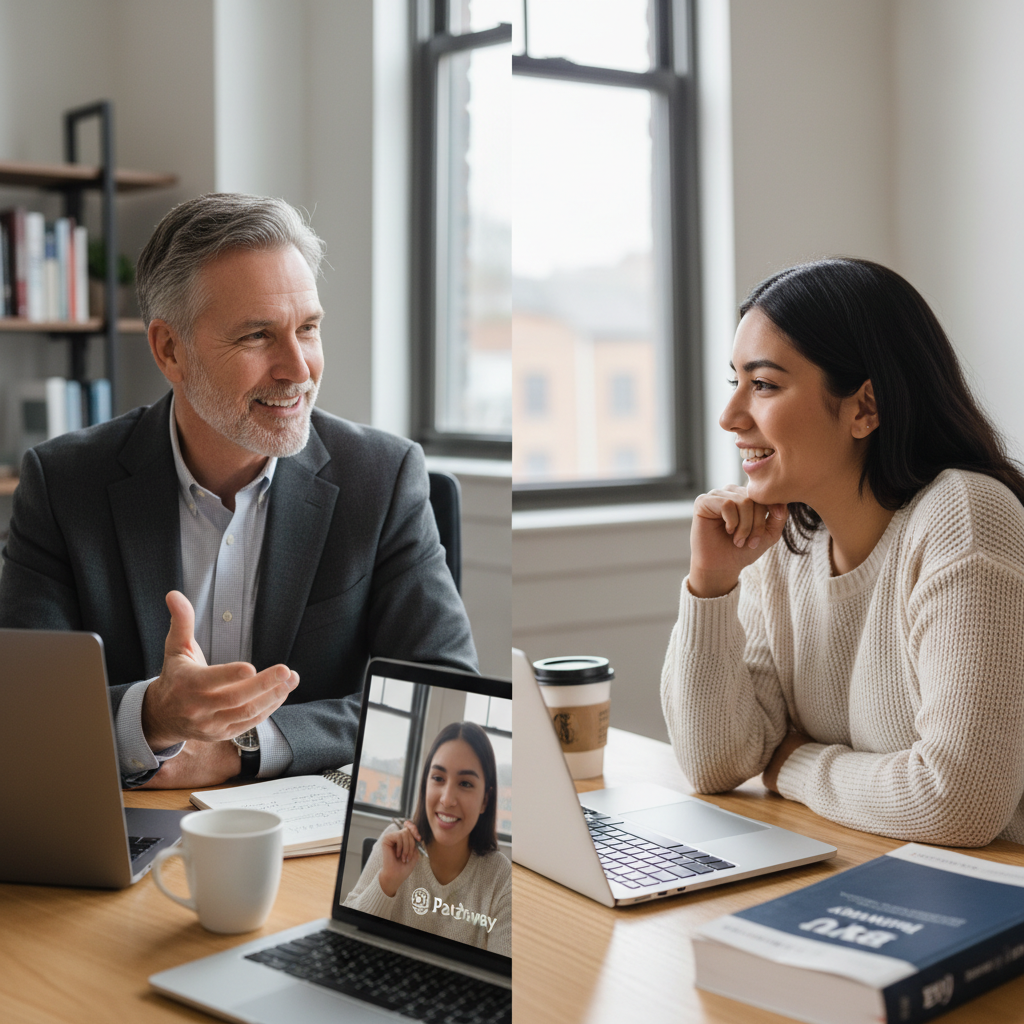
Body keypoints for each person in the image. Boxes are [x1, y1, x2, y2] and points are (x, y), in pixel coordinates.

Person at [0, 193, 477, 789]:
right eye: (258, 336)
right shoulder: (62, 484)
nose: (298, 369)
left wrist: (244, 748)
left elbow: (446, 699)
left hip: (313, 846)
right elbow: (24, 712)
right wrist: (151, 716)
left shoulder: (381, 477)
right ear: (169, 350)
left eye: (308, 329)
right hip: (138, 835)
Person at [662, 257, 1024, 848]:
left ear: (864, 408)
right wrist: (712, 585)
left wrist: (795, 765)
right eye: (736, 382)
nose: (730, 417)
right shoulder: (785, 544)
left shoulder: (966, 517)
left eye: (764, 384)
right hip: (873, 863)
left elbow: (959, 802)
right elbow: (715, 764)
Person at [343, 721, 511, 956]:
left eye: (465, 783)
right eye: (438, 778)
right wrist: (387, 881)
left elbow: (501, 977)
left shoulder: (500, 876)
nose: (447, 799)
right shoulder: (394, 837)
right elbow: (346, 938)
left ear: (485, 800)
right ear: (425, 785)